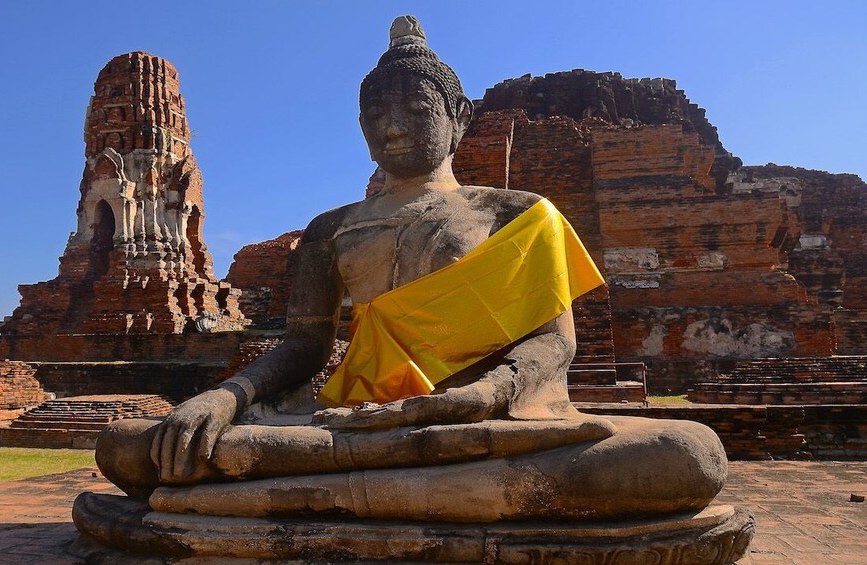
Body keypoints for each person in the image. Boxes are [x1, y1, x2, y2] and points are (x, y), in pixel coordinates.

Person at [95, 15, 727, 522]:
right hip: (358, 419)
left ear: (457, 122)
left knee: (682, 455)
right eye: (372, 116)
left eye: (413, 112)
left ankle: (260, 501)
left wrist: (479, 397)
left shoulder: (518, 214)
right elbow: (305, 347)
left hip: (481, 421)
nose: (389, 128)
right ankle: (424, 496)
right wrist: (225, 395)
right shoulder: (331, 229)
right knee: (135, 448)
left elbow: (553, 344)